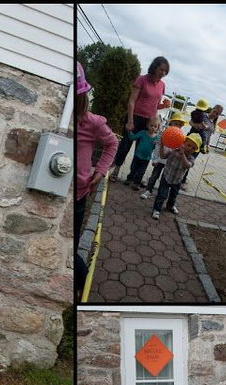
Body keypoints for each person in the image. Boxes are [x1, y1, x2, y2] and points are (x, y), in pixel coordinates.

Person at [76, 60, 117, 298]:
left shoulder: (91, 122)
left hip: (80, 195)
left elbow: (113, 143)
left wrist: (100, 171)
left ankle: (82, 281)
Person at [109, 56, 170, 182]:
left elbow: (154, 104)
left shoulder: (162, 85)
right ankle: (116, 171)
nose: (163, 73)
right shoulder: (142, 80)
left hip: (149, 122)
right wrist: (130, 121)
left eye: (165, 71)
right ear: (154, 67)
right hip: (135, 117)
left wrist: (163, 106)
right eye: (161, 69)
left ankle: (134, 176)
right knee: (125, 145)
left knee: (142, 149)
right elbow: (132, 101)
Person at [151, 133, 202, 220]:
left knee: (173, 195)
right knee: (162, 194)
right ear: (184, 143)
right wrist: (162, 145)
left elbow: (187, 165)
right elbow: (163, 156)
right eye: (189, 145)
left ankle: (170, 206)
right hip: (166, 176)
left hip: (178, 180)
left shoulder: (191, 158)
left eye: (193, 148)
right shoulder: (173, 150)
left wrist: (182, 155)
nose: (190, 149)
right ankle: (156, 209)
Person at [141, 112, 188, 199]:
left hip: (170, 164)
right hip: (159, 160)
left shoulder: (181, 136)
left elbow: (179, 151)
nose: (178, 126)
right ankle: (148, 190)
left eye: (180, 125)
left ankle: (160, 195)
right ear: (171, 123)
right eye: (176, 124)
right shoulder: (163, 133)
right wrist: (155, 159)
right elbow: (157, 147)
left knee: (165, 180)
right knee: (154, 176)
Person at [125, 116, 160, 190]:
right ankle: (129, 179)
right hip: (137, 155)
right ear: (147, 125)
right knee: (133, 168)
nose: (153, 127)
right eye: (151, 125)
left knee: (141, 172)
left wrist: (156, 144)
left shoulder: (156, 138)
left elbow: (157, 149)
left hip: (146, 158)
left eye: (155, 126)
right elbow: (133, 138)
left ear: (157, 128)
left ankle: (137, 183)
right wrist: (129, 132)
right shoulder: (143, 133)